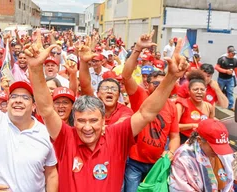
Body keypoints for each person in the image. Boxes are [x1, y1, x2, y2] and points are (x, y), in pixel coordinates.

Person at [25, 29, 188, 191]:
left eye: (93, 120)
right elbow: (46, 109)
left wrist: (171, 78)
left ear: (104, 121)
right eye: (81, 121)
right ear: (74, 121)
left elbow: (147, 113)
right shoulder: (66, 137)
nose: (87, 127)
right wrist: (36, 68)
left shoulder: (117, 136)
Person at [0, 25, 58, 192]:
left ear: (34, 105)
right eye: (13, 97)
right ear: (7, 103)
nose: (18, 101)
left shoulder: (45, 133)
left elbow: (51, 173)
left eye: (25, 98)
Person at [122, 31, 180, 192]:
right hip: (134, 162)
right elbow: (126, 76)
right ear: (147, 85)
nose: (160, 87)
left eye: (163, 84)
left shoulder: (172, 106)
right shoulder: (140, 95)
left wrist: (171, 152)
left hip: (157, 163)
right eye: (155, 83)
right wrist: (138, 49)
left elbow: (174, 135)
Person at [169, 119, 234, 191]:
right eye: (213, 147)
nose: (217, 152)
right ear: (199, 140)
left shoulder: (224, 154)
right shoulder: (183, 158)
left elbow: (229, 184)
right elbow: (179, 188)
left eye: (221, 147)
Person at [176, 71, 215, 143]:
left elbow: (211, 126)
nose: (199, 92)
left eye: (202, 89)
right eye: (195, 89)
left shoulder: (209, 107)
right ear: (189, 91)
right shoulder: (181, 105)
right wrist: (193, 125)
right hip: (182, 140)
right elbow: (174, 126)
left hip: (202, 142)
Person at [215, 47, 237, 111]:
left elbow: (235, 69)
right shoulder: (222, 59)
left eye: (234, 53)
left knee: (230, 92)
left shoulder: (235, 60)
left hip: (230, 79)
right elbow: (216, 67)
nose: (233, 55)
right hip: (222, 78)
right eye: (232, 53)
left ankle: (230, 106)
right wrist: (225, 71)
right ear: (228, 53)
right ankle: (217, 101)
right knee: (219, 91)